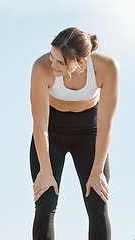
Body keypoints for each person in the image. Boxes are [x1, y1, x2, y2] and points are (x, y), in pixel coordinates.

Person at [29, 27, 119, 240]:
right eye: (52, 57)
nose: (53, 65)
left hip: (89, 133)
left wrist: (97, 171)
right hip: (51, 133)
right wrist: (45, 170)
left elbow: (105, 124)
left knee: (98, 203)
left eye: (60, 63)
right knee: (45, 203)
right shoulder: (41, 68)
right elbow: (40, 124)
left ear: (81, 63)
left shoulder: (106, 68)